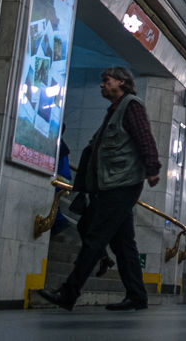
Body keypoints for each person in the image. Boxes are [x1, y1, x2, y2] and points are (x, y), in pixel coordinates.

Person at [38, 66, 160, 312]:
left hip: (122, 184)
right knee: (122, 243)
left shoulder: (131, 106)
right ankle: (137, 295)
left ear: (122, 83)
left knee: (95, 236)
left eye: (107, 80)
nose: (102, 85)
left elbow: (144, 137)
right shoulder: (113, 111)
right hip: (111, 183)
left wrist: (152, 168)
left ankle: (68, 293)